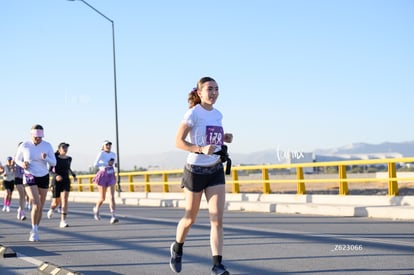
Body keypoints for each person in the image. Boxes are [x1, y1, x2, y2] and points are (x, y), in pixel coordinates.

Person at [170, 77, 233, 275]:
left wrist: (224, 138)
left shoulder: (218, 114)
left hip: (215, 169)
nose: (213, 93)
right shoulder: (193, 113)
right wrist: (199, 149)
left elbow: (209, 137)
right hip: (195, 171)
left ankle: (217, 265)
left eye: (216, 89)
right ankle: (178, 247)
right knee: (190, 218)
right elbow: (178, 142)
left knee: (217, 220)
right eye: (209, 89)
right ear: (199, 92)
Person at [15, 124, 57, 242]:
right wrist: (22, 164)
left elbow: (54, 162)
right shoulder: (25, 145)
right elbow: (17, 159)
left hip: (43, 175)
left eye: (40, 137)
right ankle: (33, 230)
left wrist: (46, 158)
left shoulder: (47, 145)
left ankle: (36, 228)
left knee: (41, 207)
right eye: (36, 137)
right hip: (29, 175)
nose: (38, 139)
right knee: (36, 204)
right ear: (32, 135)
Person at [47, 142, 76, 228]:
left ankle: (63, 221)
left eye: (66, 147)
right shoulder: (54, 158)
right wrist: (56, 176)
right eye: (63, 147)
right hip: (56, 181)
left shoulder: (69, 158)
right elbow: (50, 171)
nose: (65, 149)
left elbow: (68, 168)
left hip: (66, 180)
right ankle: (51, 209)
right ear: (59, 149)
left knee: (65, 199)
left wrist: (73, 175)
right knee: (56, 202)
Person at [92, 140, 119, 224]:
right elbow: (95, 164)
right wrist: (107, 163)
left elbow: (115, 164)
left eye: (110, 144)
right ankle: (96, 209)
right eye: (106, 144)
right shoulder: (101, 153)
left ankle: (113, 216)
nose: (108, 146)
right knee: (102, 198)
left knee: (112, 197)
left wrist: (115, 165)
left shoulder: (113, 154)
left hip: (111, 174)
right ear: (103, 146)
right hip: (103, 174)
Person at [14, 144, 27, 221]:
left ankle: (20, 209)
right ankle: (22, 212)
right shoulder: (16, 156)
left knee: (24, 196)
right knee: (22, 194)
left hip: (25, 178)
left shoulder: (27, 156)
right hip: (18, 178)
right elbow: (12, 164)